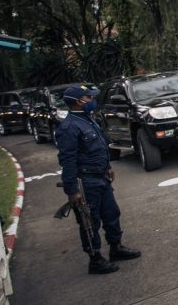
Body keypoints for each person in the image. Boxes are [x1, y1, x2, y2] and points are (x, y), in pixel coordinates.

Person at [56, 85, 141, 274]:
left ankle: (116, 247)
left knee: (111, 214)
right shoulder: (69, 127)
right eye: (89, 97)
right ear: (79, 101)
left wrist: (108, 167)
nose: (92, 100)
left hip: (101, 177)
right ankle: (95, 259)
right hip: (86, 183)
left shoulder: (88, 120)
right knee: (89, 222)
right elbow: (67, 161)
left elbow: (99, 147)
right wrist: (72, 190)